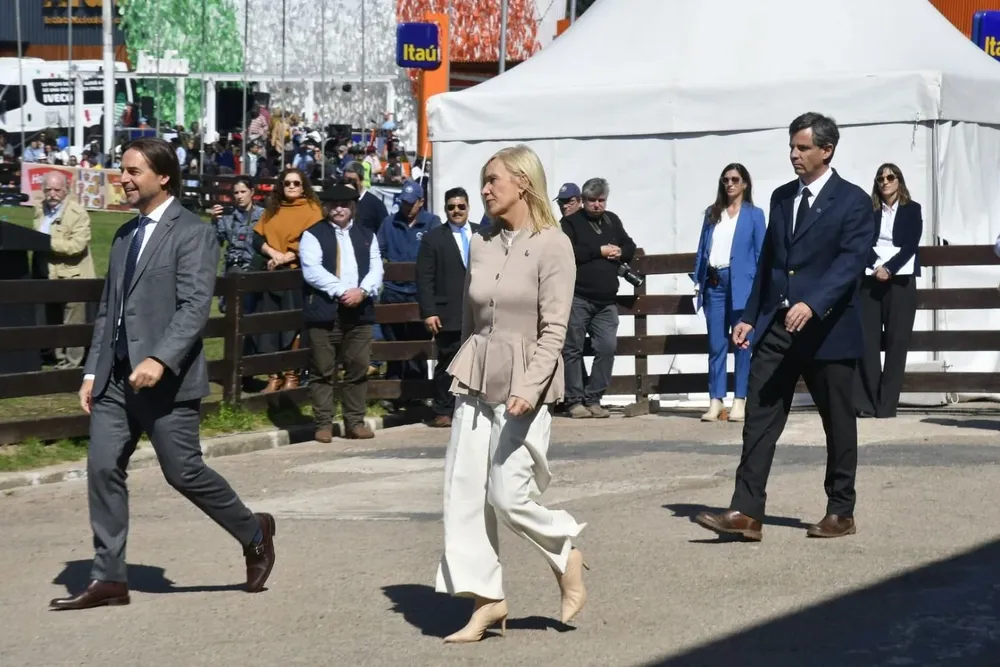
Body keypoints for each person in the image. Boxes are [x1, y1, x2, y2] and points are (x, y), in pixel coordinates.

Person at [50, 138, 276, 611]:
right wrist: (92, 372)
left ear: (163, 176)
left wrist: (160, 358)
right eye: (122, 170)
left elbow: (195, 306)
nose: (124, 179)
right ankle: (109, 577)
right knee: (102, 467)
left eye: (133, 171)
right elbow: (109, 311)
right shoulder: (124, 236)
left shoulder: (193, 232)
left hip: (166, 381)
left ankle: (254, 531)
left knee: (184, 472)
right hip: (114, 381)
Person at [695, 112, 874, 541]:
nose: (793, 154)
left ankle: (840, 510)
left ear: (826, 150)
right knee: (759, 414)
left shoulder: (852, 201)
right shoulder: (780, 198)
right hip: (777, 326)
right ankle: (747, 511)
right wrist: (749, 318)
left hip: (828, 330)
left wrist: (813, 304)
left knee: (837, 422)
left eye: (802, 147)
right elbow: (769, 266)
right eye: (792, 147)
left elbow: (850, 263)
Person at [435, 145, 587, 643]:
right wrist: (458, 369)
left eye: (492, 180)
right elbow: (468, 319)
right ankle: (487, 600)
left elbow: (555, 329)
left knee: (507, 492)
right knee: (464, 494)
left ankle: (565, 551)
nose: (483, 190)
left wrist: (530, 385)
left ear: (522, 182)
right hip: (476, 378)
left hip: (527, 383)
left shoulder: (553, 244)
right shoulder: (480, 242)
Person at [299, 183, 384, 442]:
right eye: (334, 205)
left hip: (360, 311)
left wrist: (363, 291)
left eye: (344, 204)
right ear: (325, 208)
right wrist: (341, 291)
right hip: (325, 312)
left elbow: (377, 268)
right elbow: (311, 270)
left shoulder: (367, 234)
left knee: (358, 367)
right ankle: (324, 423)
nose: (339, 209)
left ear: (353, 207)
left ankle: (354, 422)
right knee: (322, 370)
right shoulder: (312, 235)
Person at [691, 163, 766, 422]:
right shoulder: (713, 213)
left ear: (745, 183)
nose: (730, 184)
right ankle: (715, 400)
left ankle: (740, 400)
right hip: (715, 283)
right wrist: (697, 280)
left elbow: (760, 254)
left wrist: (760, 289)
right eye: (726, 180)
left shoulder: (754, 215)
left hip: (742, 284)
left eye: (735, 179)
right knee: (716, 344)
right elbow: (702, 249)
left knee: (743, 344)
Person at [560, 178, 636, 419]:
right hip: (579, 296)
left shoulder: (612, 219)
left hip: (606, 301)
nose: (596, 205)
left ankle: (593, 397)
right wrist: (600, 251)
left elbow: (630, 245)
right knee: (572, 349)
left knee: (607, 347)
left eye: (601, 200)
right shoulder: (570, 222)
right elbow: (568, 252)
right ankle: (574, 400)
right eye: (592, 200)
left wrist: (620, 251)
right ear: (583, 201)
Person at [855, 163, 922, 419]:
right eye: (881, 178)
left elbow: (910, 245)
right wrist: (875, 265)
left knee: (897, 343)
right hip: (871, 279)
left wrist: (890, 268)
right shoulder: (868, 210)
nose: (885, 182)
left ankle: (887, 406)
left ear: (899, 181)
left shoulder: (912, 209)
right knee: (867, 342)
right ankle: (867, 402)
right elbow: (862, 240)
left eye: (890, 177)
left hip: (900, 281)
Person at [251, 168, 323, 393]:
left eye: (296, 183)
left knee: (293, 326)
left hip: (297, 276)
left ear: (304, 186)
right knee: (269, 325)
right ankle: (274, 375)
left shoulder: (313, 211)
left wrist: (286, 257)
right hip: (272, 274)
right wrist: (274, 254)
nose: (291, 187)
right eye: (287, 183)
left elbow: (314, 240)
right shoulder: (272, 209)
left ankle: (292, 374)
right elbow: (256, 238)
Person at [416, 187, 479, 428]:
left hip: (478, 309)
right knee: (447, 361)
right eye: (451, 207)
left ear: (468, 207)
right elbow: (424, 278)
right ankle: (443, 408)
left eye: (461, 206)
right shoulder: (434, 238)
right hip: (447, 312)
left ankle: (476, 406)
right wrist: (429, 311)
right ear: (445, 209)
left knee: (479, 360)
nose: (456, 211)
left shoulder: (482, 234)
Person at [32, 171, 96, 369]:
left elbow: (77, 246)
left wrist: (47, 242)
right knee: (55, 321)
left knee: (73, 325)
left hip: (73, 277)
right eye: (48, 189)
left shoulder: (78, 213)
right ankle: (59, 358)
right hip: (49, 276)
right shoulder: (40, 209)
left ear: (66, 190)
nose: (52, 194)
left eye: (57, 190)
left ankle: (72, 364)